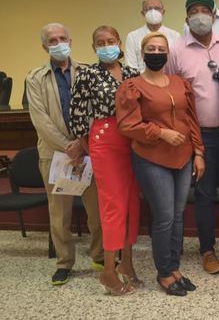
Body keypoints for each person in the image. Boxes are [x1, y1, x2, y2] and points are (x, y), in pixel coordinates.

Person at [116, 32, 205, 297]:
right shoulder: (132, 86)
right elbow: (127, 124)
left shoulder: (180, 83)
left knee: (178, 216)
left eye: (161, 48)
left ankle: (174, 267)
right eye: (151, 48)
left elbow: (192, 119)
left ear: (168, 53)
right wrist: (161, 133)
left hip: (183, 157)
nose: (156, 52)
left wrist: (199, 152)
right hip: (152, 159)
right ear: (143, 53)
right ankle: (164, 273)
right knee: (165, 217)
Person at [166, 0, 219, 275]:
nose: (200, 15)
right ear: (187, 18)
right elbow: (169, 94)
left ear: (214, 16)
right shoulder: (176, 51)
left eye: (205, 10)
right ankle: (207, 250)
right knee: (203, 195)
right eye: (194, 11)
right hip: (199, 136)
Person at [26, 23, 103, 286]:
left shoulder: (88, 72)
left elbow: (96, 110)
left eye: (62, 38)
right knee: (59, 216)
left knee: (97, 211)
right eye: (52, 39)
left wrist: (82, 144)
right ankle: (64, 263)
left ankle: (99, 256)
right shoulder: (34, 77)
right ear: (44, 46)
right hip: (54, 156)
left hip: (88, 153)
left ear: (71, 40)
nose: (58, 42)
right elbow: (40, 120)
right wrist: (67, 145)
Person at [69, 26, 141, 296]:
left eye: (111, 41)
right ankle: (108, 272)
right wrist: (91, 148)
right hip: (104, 141)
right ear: (93, 47)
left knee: (132, 203)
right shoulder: (87, 74)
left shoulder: (132, 73)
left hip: (132, 141)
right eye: (101, 42)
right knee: (114, 206)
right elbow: (77, 118)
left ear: (119, 42)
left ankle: (128, 264)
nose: (107, 45)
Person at [125, 0, 181, 72]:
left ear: (163, 12)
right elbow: (131, 67)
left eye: (157, 8)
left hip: (169, 80)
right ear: (142, 13)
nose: (153, 12)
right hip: (141, 82)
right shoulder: (132, 36)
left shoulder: (175, 36)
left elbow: (178, 64)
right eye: (148, 9)